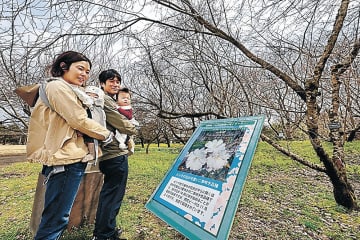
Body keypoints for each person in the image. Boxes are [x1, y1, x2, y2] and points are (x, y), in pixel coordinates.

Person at [26, 51, 113, 240]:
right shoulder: (57, 86)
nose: (84, 74)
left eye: (88, 71)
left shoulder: (67, 89)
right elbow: (78, 119)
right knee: (56, 219)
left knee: (56, 217)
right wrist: (106, 135)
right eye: (80, 68)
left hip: (67, 159)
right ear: (64, 66)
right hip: (65, 161)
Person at [92, 69, 137, 240]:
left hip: (108, 154)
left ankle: (103, 230)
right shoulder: (106, 101)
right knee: (113, 197)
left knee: (108, 195)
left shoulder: (105, 100)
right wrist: (133, 128)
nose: (116, 84)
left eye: (118, 81)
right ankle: (105, 234)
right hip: (114, 155)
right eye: (111, 81)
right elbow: (124, 125)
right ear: (102, 84)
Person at [114, 87, 139, 155]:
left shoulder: (128, 108)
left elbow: (128, 115)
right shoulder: (115, 106)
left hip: (127, 125)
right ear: (117, 100)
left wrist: (118, 108)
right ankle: (123, 144)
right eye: (123, 98)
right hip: (120, 125)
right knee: (118, 134)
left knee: (126, 136)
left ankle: (129, 147)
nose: (126, 100)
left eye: (128, 98)